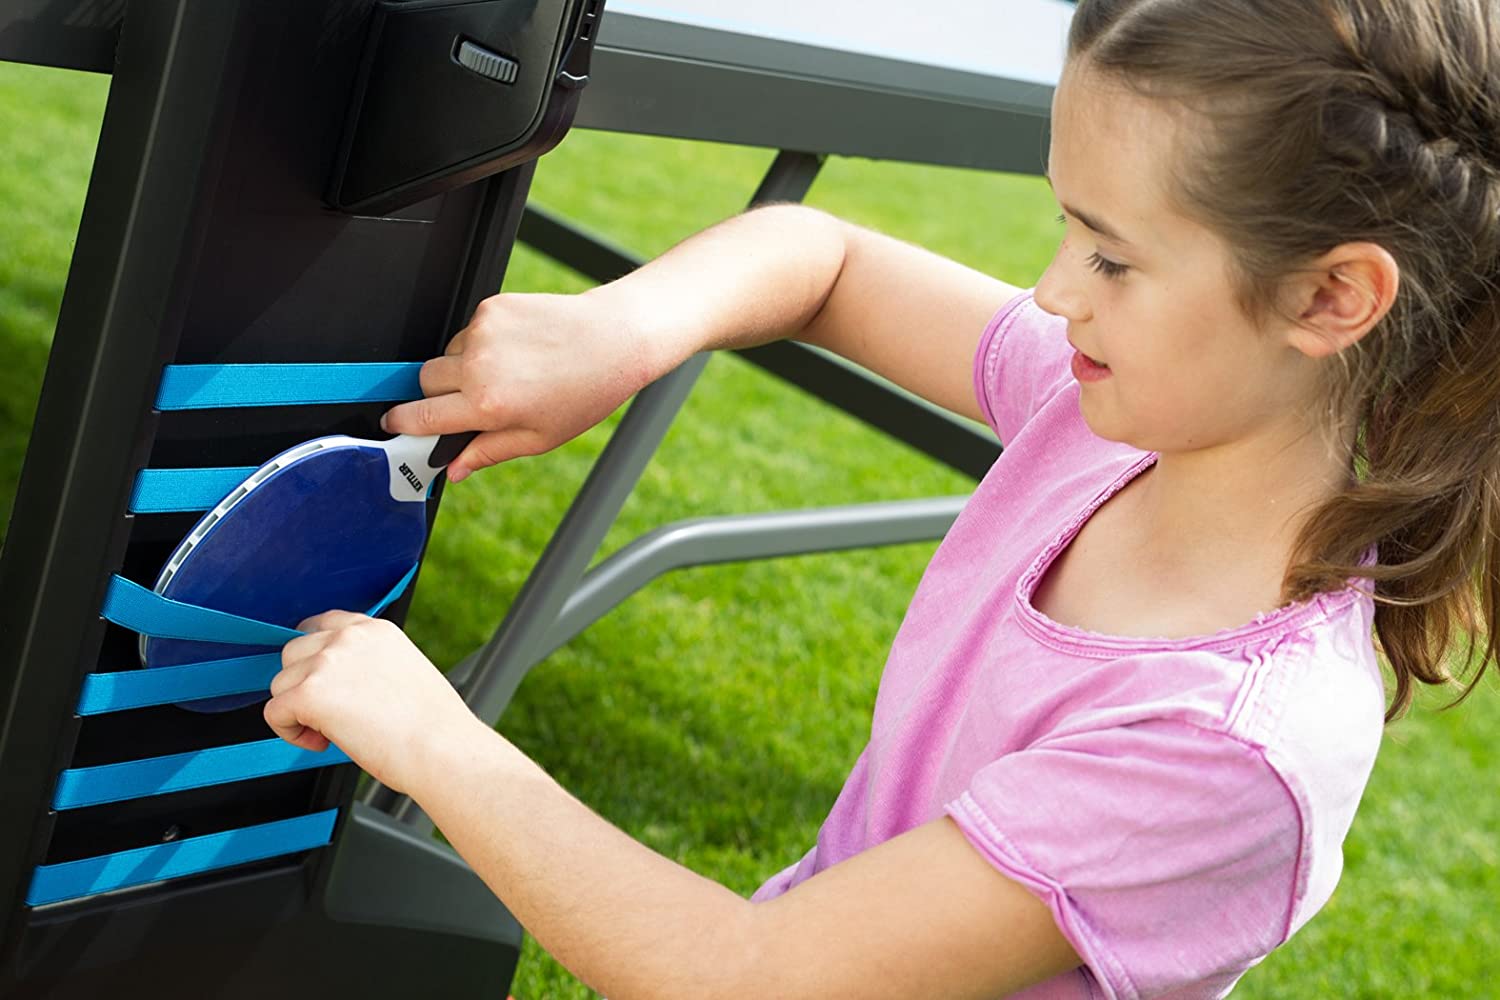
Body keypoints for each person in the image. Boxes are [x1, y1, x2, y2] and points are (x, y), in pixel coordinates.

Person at [264, 0, 1500, 995]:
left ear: (1332, 298)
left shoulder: (1228, 748)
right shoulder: (1113, 421)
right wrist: (622, 331)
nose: (1057, 289)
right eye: (1068, 228)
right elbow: (827, 258)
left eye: (1114, 256)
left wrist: (428, 738)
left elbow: (754, 979)